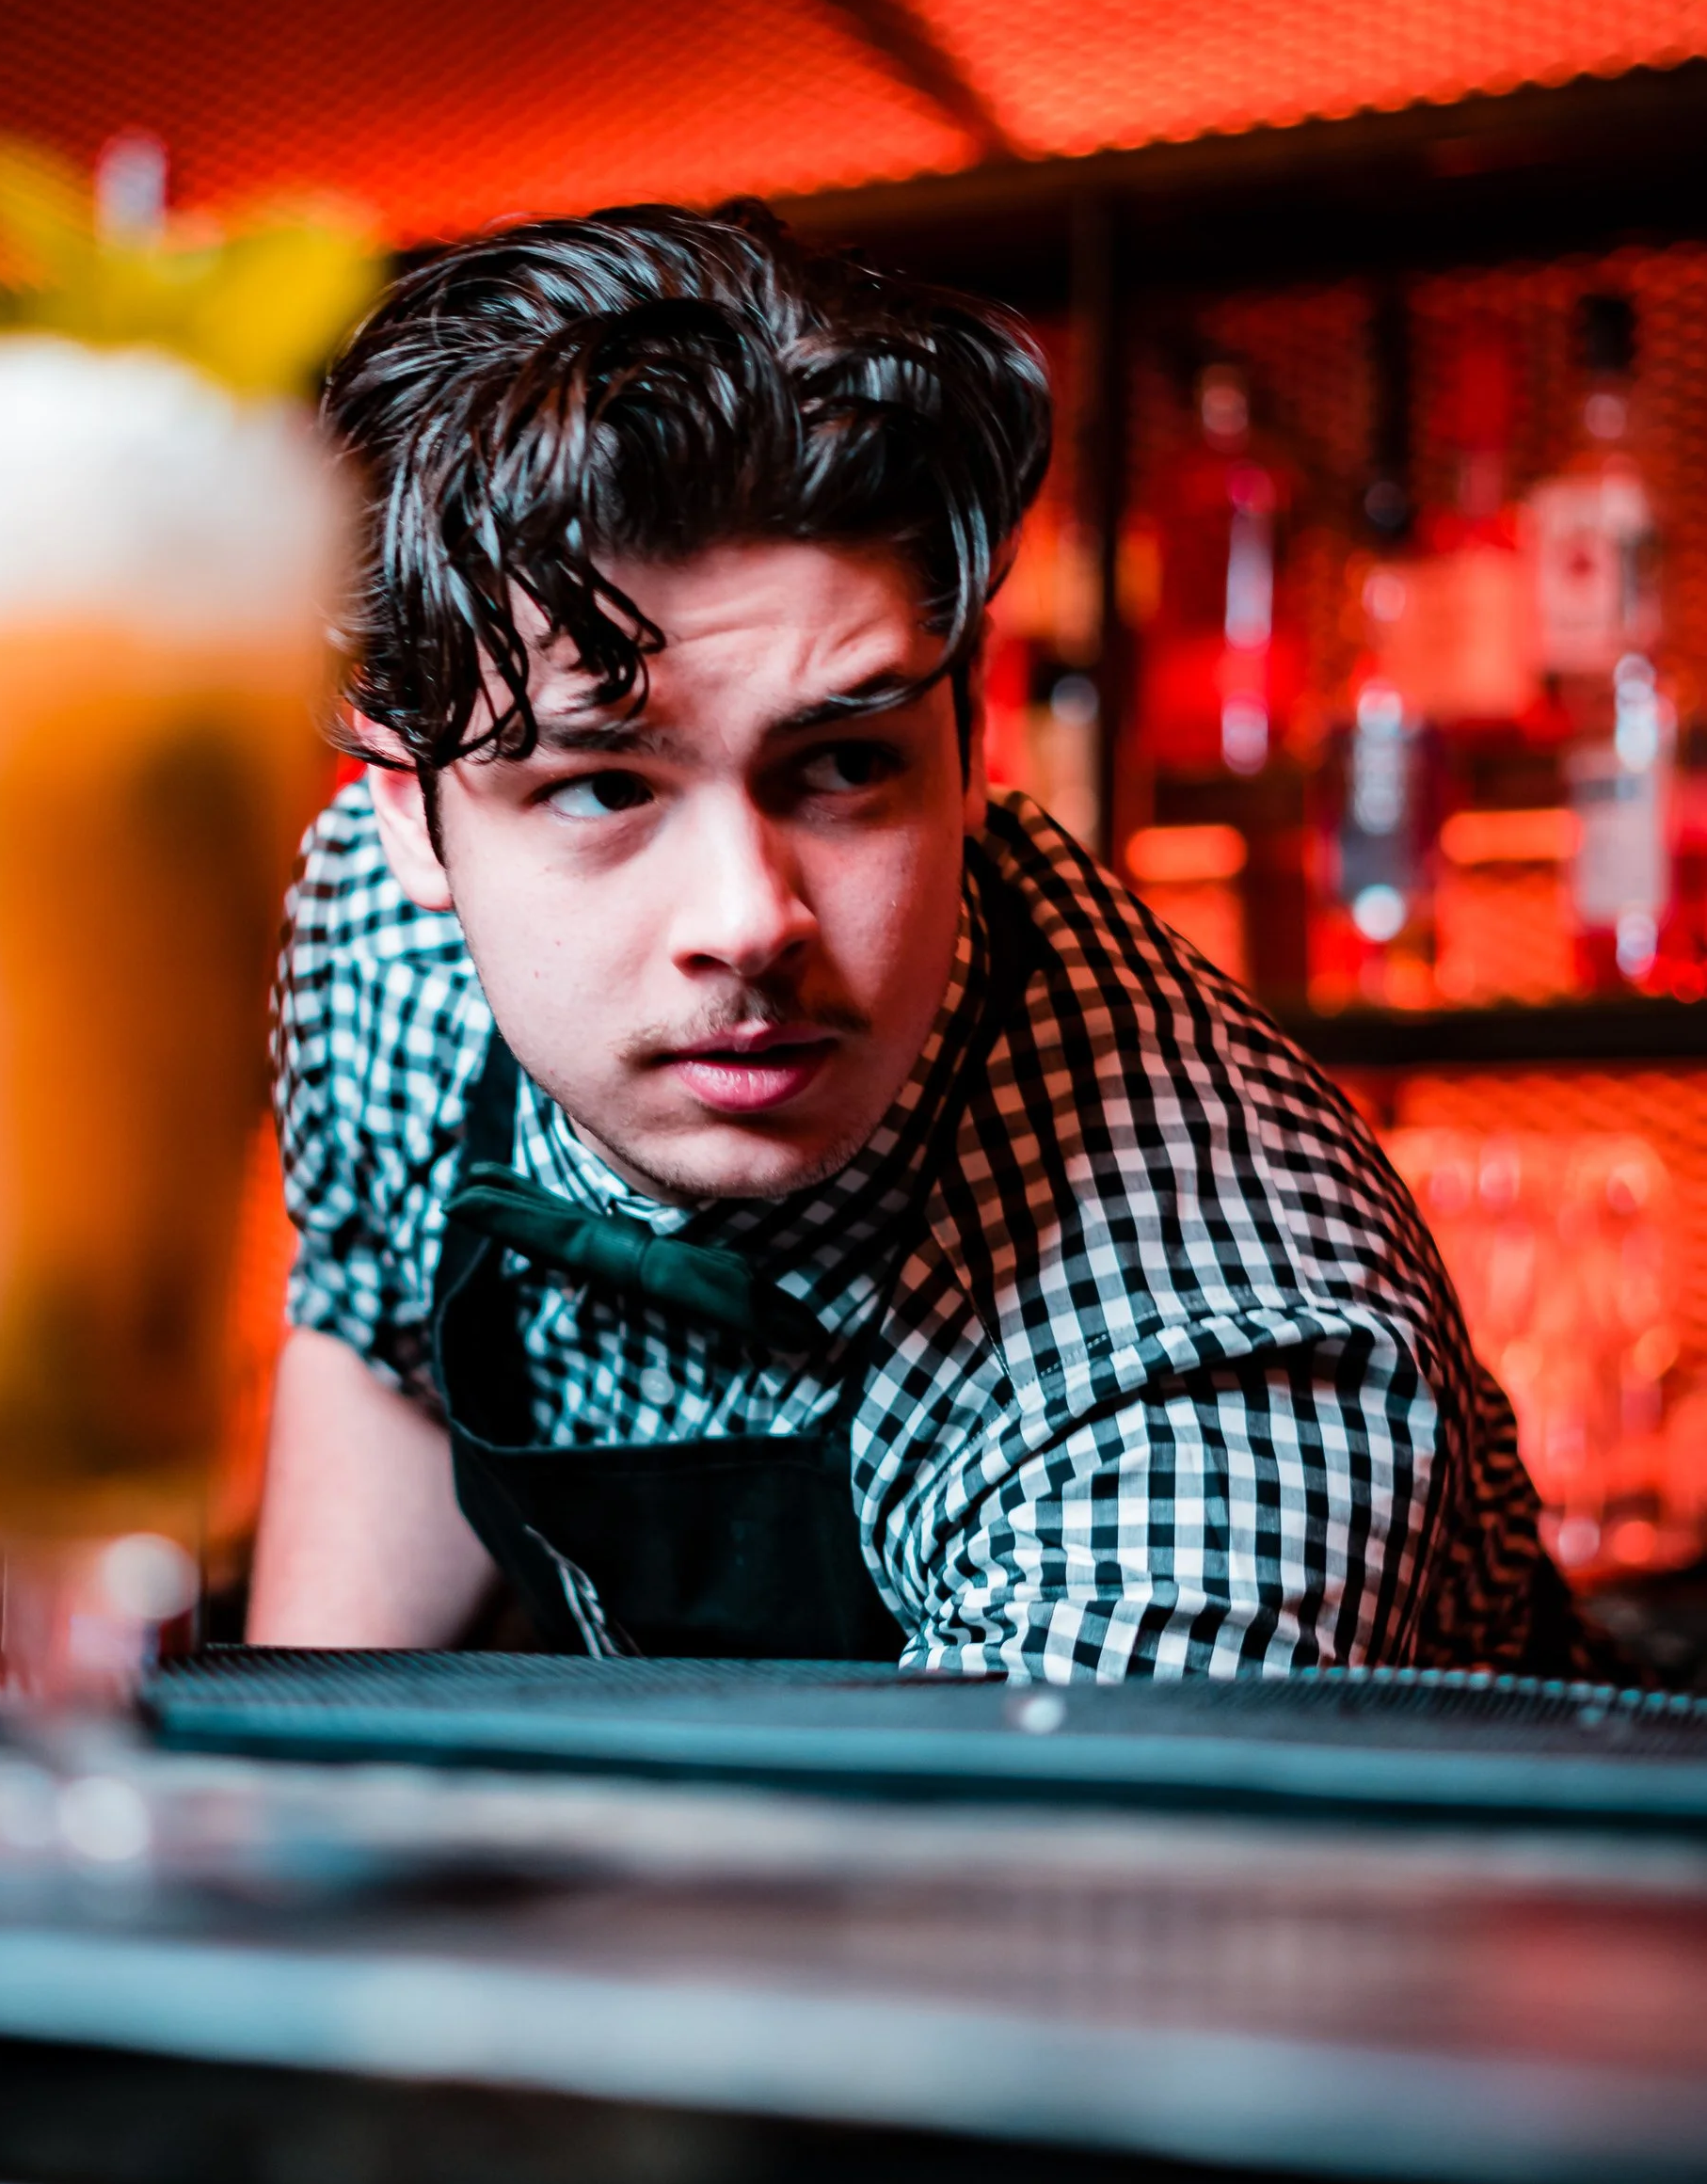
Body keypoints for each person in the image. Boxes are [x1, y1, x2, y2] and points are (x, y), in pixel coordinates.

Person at [248, 200, 1569, 1677]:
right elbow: (389, 1361)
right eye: (604, 783)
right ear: (411, 819)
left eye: (841, 765)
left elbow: (996, 1901)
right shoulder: (381, 940)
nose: (749, 921)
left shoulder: (1211, 1368)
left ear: (973, 739)